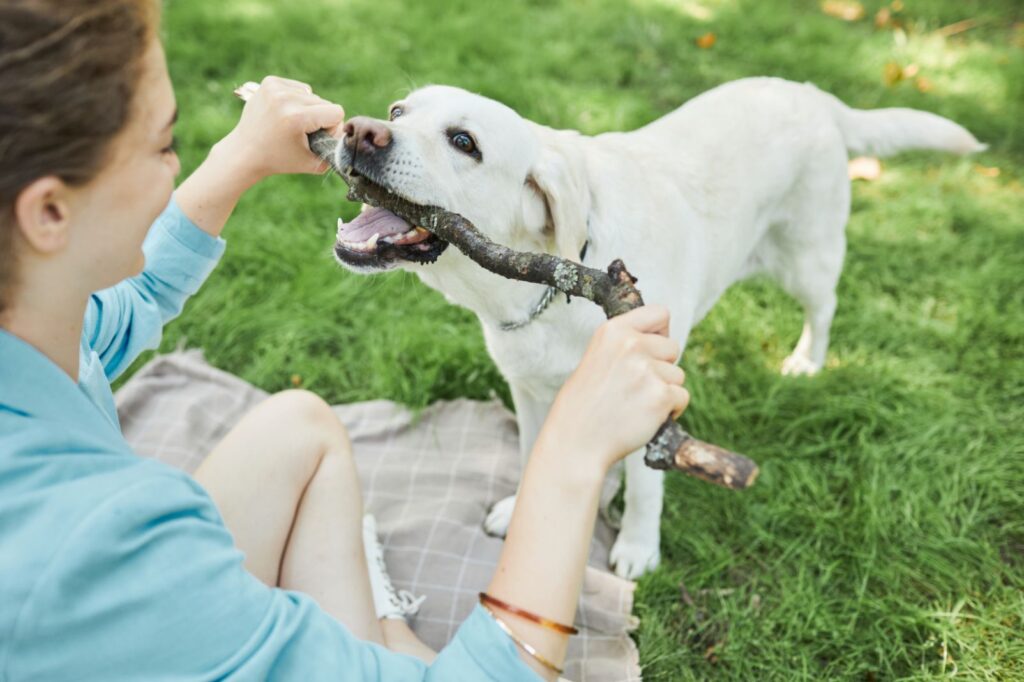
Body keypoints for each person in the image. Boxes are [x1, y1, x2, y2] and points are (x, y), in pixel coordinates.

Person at [0, 1, 690, 680]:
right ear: (50, 212)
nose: (178, 166)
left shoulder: (38, 328)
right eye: (164, 144)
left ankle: (375, 635)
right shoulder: (108, 551)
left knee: (301, 423)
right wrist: (571, 453)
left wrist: (238, 158)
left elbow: (127, 305)